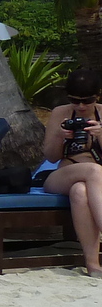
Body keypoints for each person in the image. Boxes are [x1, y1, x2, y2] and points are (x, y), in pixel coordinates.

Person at [41, 68, 102, 277]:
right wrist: (60, 136)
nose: (81, 107)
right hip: (62, 174)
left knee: (80, 192)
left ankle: (93, 264)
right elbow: (51, 156)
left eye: (87, 100)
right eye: (75, 101)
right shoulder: (61, 113)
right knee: (93, 171)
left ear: (98, 96)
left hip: (92, 181)